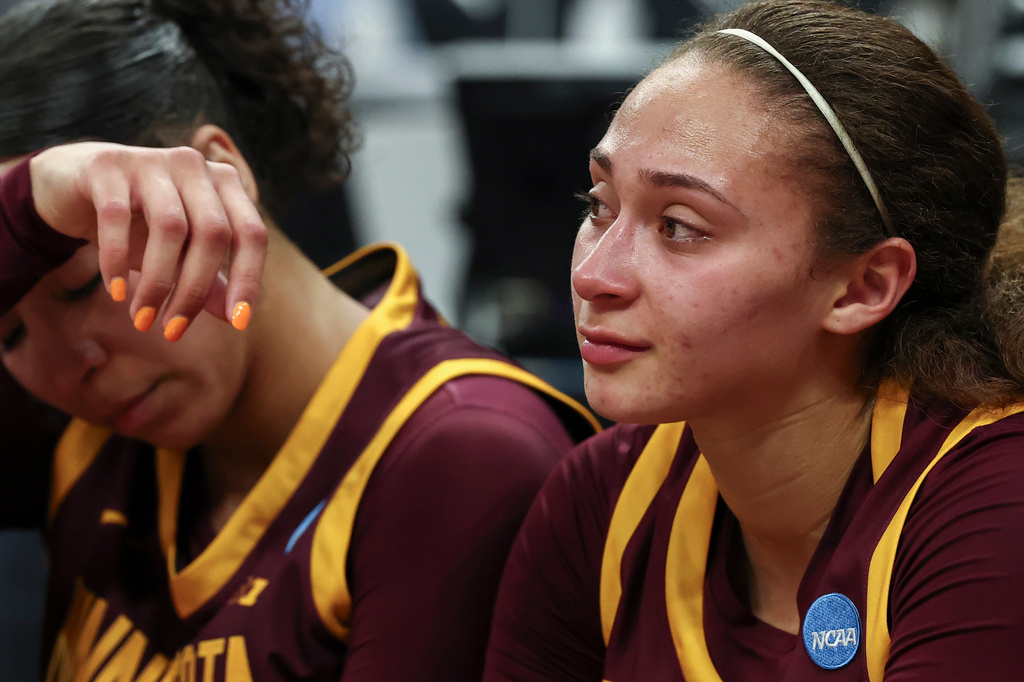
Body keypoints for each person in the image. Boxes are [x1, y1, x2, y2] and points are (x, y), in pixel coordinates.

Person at [0, 0, 601, 680]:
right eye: (8, 331)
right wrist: (28, 204)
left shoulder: (463, 454)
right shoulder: (83, 434)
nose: (67, 365)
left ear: (211, 175)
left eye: (84, 286)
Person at [482, 1, 1024, 680]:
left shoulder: (996, 505)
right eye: (599, 206)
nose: (595, 276)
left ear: (863, 287)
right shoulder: (604, 495)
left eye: (680, 225)